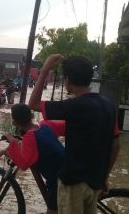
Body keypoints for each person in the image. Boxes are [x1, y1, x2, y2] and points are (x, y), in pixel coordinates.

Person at [28, 54, 120, 214]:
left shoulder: (73, 106)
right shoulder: (108, 106)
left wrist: (44, 71)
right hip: (95, 182)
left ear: (68, 80)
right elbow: (116, 145)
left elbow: (32, 103)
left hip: (73, 184)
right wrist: (104, 177)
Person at [0, 104, 65, 214]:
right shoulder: (45, 125)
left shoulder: (29, 137)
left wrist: (13, 141)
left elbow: (23, 164)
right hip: (68, 168)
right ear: (32, 115)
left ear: (14, 123)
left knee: (52, 210)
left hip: (58, 180)